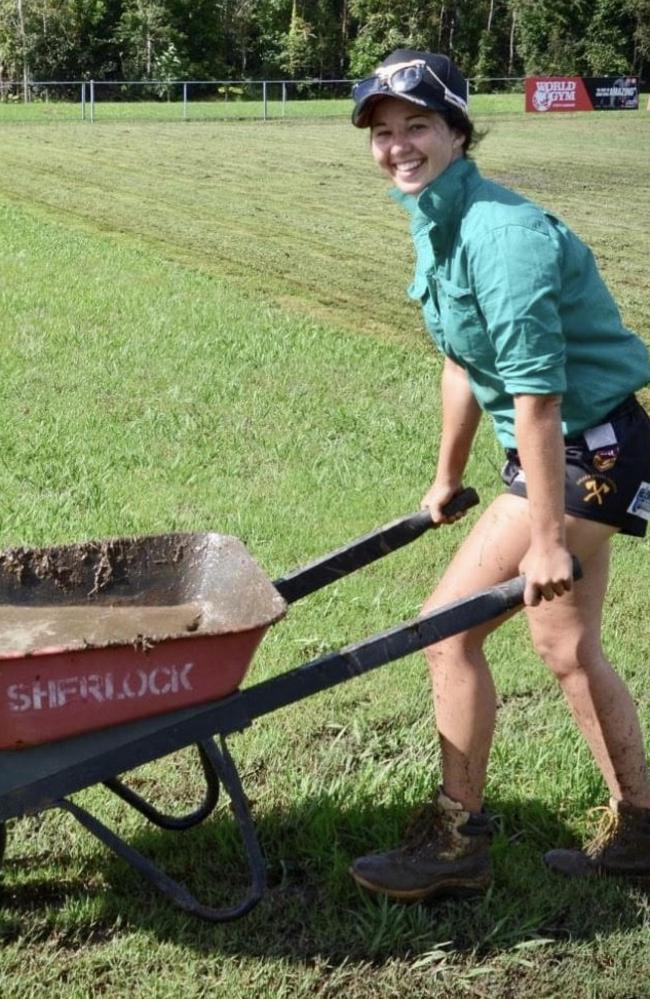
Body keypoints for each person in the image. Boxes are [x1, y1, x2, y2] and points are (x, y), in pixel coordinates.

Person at [348, 49, 650, 902]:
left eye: (416, 126)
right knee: (565, 645)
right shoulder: (437, 220)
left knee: (447, 627)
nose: (397, 145)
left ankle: (455, 841)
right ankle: (643, 830)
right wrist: (446, 477)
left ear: (456, 130)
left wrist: (549, 539)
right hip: (570, 443)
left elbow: (539, 397)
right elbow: (458, 360)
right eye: (382, 131)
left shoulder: (500, 236)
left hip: (584, 446)